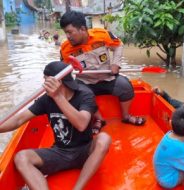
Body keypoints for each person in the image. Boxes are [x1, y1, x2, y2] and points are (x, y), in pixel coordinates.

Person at [0, 61, 111, 190]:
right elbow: (18, 120)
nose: (43, 84)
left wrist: (58, 96)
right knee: (21, 157)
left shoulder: (85, 94)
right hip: (60, 152)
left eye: (46, 80)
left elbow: (81, 124)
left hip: (85, 151)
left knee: (104, 139)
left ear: (57, 81)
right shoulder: (46, 99)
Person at [59, 10, 146, 133]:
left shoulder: (102, 35)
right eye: (65, 33)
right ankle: (99, 120)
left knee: (125, 86)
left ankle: (126, 116)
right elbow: (63, 69)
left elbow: (118, 45)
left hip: (107, 78)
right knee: (80, 95)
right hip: (85, 81)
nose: (67, 36)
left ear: (82, 29)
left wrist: (115, 64)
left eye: (70, 32)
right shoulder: (65, 48)